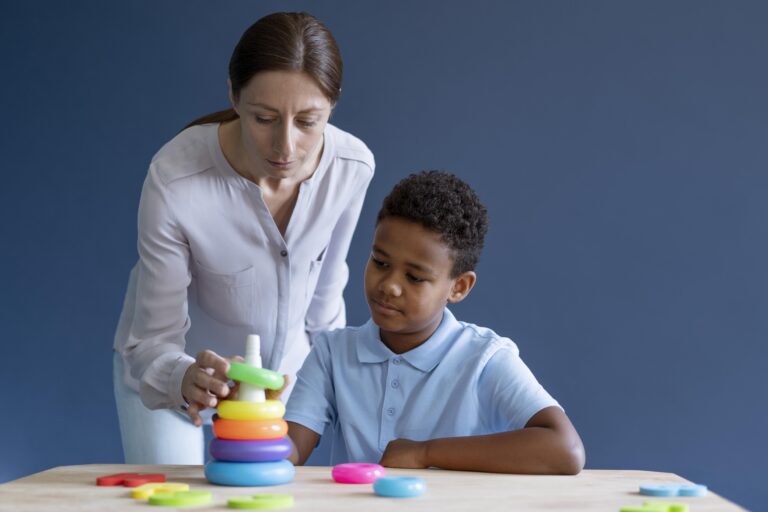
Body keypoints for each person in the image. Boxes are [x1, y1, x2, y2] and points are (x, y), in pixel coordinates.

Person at [113, 12, 375, 464]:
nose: (285, 147)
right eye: (264, 118)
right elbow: (150, 343)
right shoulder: (175, 179)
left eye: (309, 121)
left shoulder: (352, 168)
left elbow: (325, 308)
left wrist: (325, 391)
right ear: (234, 96)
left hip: (283, 387)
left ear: (333, 106)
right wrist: (186, 377)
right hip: (178, 379)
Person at [284, 171, 585, 473]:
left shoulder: (484, 359)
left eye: (414, 277)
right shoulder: (333, 353)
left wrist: (425, 453)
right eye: (380, 262)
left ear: (459, 287)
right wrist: (253, 412)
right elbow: (291, 451)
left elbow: (565, 450)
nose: (390, 285)